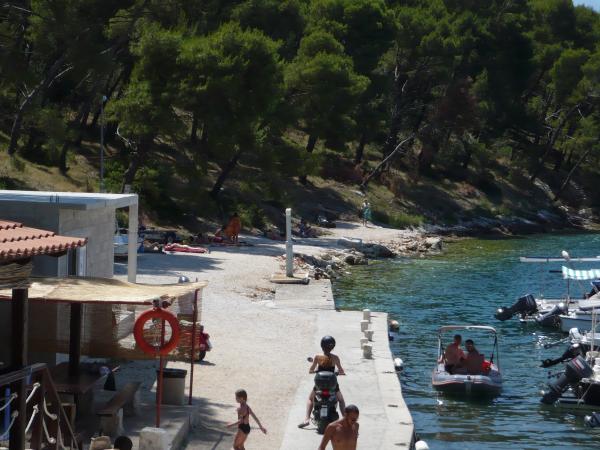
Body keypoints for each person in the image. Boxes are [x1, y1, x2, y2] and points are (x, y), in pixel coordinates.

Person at [298, 336, 346, 428]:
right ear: (333, 346)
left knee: (310, 399)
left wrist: (316, 370)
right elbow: (341, 370)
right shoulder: (335, 358)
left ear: (321, 345)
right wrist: (340, 372)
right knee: (341, 400)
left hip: (319, 385)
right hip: (332, 385)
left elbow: (311, 370)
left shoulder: (317, 357)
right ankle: (345, 419)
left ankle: (307, 419)